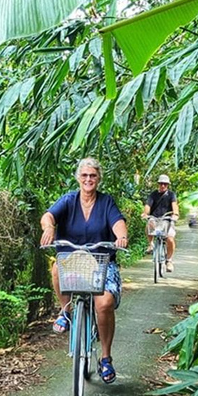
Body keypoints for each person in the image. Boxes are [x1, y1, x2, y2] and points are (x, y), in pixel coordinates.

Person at [40, 157, 128, 384]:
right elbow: (49, 216)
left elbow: (117, 222)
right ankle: (66, 311)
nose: (88, 179)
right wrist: (49, 227)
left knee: (104, 303)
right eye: (85, 175)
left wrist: (121, 236)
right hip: (73, 261)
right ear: (78, 177)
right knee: (57, 269)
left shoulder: (106, 202)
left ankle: (106, 357)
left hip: (101, 263)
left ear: (98, 179)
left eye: (93, 175)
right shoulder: (68, 200)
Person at [141, 174, 179, 272]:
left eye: (165, 184)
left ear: (168, 185)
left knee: (170, 238)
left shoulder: (171, 195)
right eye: (161, 184)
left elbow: (174, 206)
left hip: (167, 220)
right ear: (158, 184)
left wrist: (175, 214)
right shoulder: (153, 194)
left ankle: (169, 260)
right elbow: (148, 205)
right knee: (149, 223)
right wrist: (145, 213)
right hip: (155, 219)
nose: (163, 186)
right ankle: (150, 244)